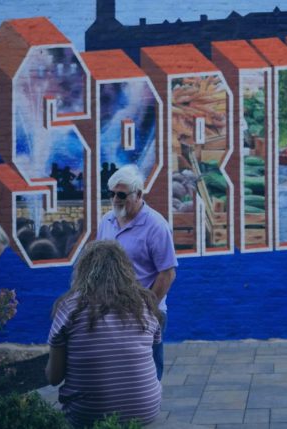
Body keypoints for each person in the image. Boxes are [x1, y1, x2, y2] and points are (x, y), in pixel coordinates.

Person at [46, 240, 162, 427]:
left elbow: (54, 378)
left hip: (87, 415)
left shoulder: (70, 307)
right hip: (145, 411)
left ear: (83, 270)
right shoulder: (144, 306)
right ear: (126, 271)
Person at [96, 164, 177, 380]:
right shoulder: (107, 221)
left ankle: (148, 408)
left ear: (139, 194)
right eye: (111, 193)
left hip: (146, 311)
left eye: (121, 194)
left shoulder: (156, 226)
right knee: (116, 368)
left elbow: (167, 273)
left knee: (147, 369)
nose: (115, 199)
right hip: (111, 310)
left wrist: (146, 307)